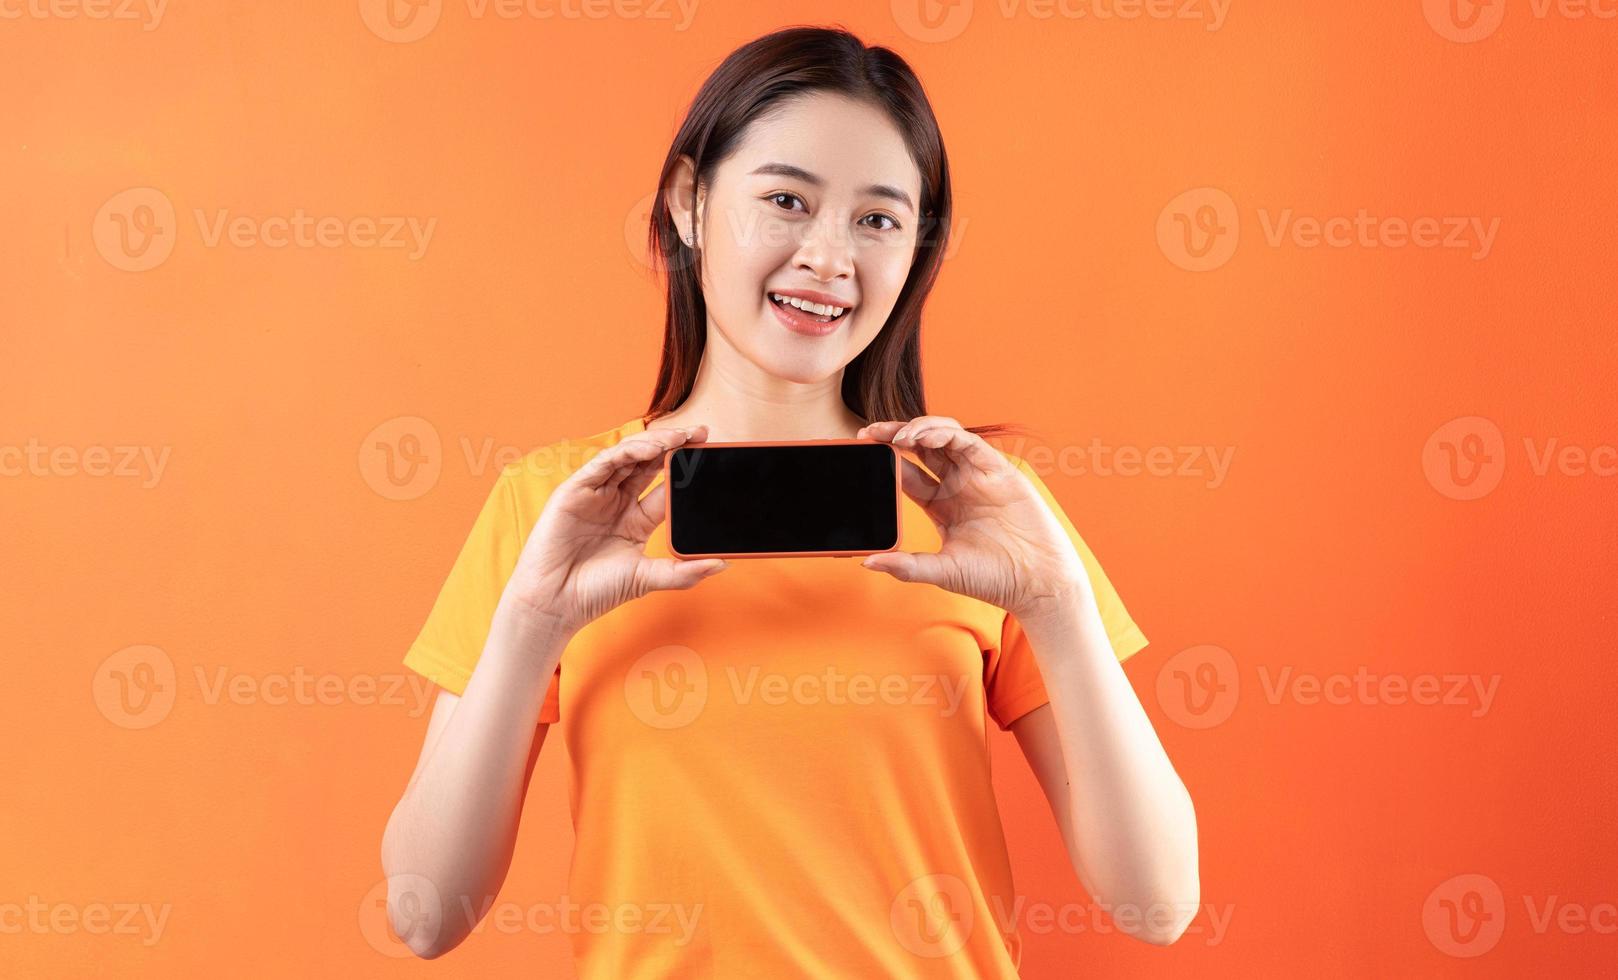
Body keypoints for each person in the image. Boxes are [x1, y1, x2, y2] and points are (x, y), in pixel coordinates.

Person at [380, 25, 1198, 976]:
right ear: (689, 203)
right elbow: (423, 914)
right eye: (785, 200)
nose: (829, 256)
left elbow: (1159, 902)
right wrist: (530, 628)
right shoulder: (554, 511)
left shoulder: (984, 513)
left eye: (878, 219)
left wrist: (1056, 609)